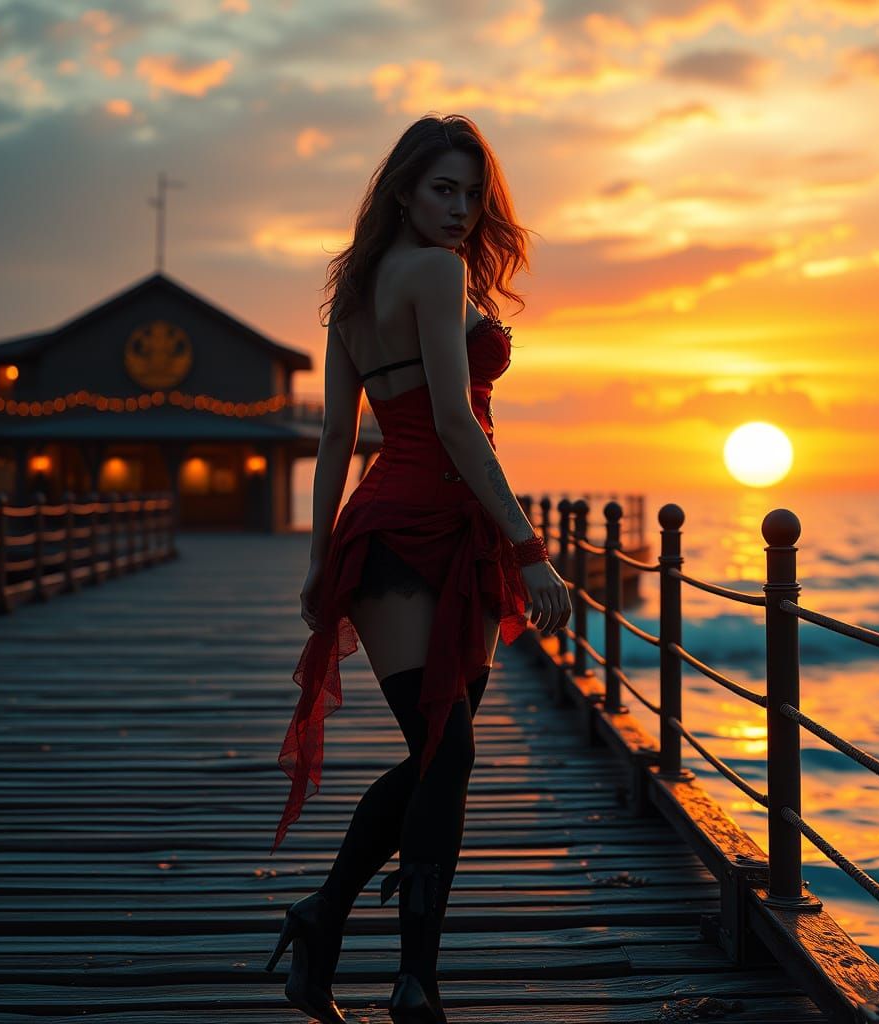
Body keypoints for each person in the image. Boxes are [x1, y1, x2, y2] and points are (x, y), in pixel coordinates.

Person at [264, 113, 571, 1024]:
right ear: (401, 189)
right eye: (445, 189)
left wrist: (323, 553)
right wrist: (532, 548)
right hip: (427, 527)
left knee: (443, 753)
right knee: (448, 749)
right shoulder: (437, 275)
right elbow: (451, 420)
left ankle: (326, 921)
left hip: (408, 531)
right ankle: (415, 982)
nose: (464, 211)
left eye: (475, 195)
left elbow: (331, 446)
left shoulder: (352, 299)